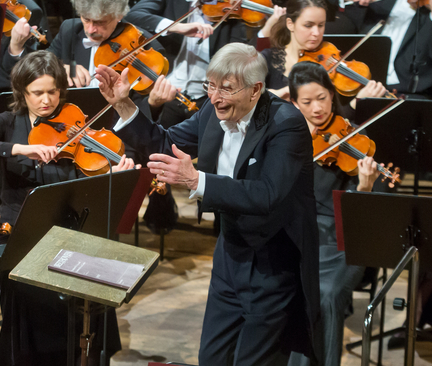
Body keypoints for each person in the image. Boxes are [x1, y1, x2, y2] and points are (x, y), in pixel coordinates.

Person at [95, 43, 320, 365]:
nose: (215, 97)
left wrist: (196, 180)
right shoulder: (212, 111)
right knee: (212, 357)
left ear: (255, 89)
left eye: (226, 89)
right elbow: (164, 143)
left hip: (273, 260)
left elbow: (268, 194)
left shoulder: (286, 123)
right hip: (230, 251)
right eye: (210, 86)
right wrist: (124, 105)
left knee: (255, 361)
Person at [0, 50, 135, 366]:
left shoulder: (75, 125)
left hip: (67, 229)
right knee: (25, 289)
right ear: (21, 92)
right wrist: (22, 149)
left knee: (92, 292)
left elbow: (92, 175)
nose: (46, 101)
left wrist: (115, 172)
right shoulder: (5, 122)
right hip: (14, 232)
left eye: (52, 92)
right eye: (37, 93)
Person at [286, 62, 381, 366]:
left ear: (332, 94)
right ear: (293, 103)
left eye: (323, 98)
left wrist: (364, 187)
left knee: (325, 294)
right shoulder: (284, 139)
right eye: (307, 102)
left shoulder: (350, 136)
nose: (317, 109)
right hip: (297, 235)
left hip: (342, 241)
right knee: (281, 286)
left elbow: (364, 218)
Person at [127, 0, 268, 127]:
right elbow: (134, 16)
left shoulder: (230, 4)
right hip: (167, 94)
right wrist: (176, 27)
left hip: (208, 101)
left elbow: (240, 52)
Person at [259, 0, 386, 108]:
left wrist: (356, 103)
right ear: (290, 24)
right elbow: (250, 104)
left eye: (321, 25)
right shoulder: (267, 59)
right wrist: (284, 92)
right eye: (308, 25)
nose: (316, 33)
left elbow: (337, 120)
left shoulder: (329, 57)